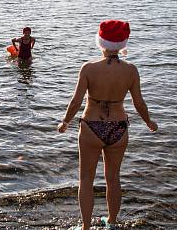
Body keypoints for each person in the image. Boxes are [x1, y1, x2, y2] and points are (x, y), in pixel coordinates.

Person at [57, 20, 157, 230]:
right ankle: (111, 223)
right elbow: (139, 102)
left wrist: (65, 122)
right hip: (119, 128)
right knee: (113, 179)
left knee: (86, 179)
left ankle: (85, 227)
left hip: (91, 126)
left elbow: (76, 101)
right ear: (122, 44)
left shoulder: (89, 68)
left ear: (100, 42)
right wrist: (149, 122)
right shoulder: (131, 70)